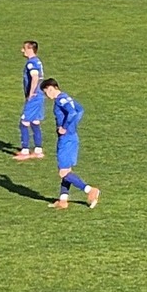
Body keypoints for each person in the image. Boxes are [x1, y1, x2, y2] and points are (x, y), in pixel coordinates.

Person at [41, 78, 98, 209]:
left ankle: (90, 190)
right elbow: (80, 110)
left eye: (46, 92)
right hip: (72, 137)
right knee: (67, 170)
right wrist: (73, 126)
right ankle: (63, 200)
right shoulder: (67, 97)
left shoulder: (60, 100)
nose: (46, 96)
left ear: (51, 88)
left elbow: (72, 113)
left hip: (66, 139)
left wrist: (65, 127)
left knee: (63, 173)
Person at [16, 40, 45, 160]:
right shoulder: (37, 61)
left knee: (24, 123)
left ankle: (25, 150)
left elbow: (35, 77)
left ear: (30, 49)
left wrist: (31, 93)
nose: (22, 50)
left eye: (24, 48)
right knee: (35, 121)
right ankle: (38, 149)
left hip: (34, 97)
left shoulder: (31, 63)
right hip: (40, 96)